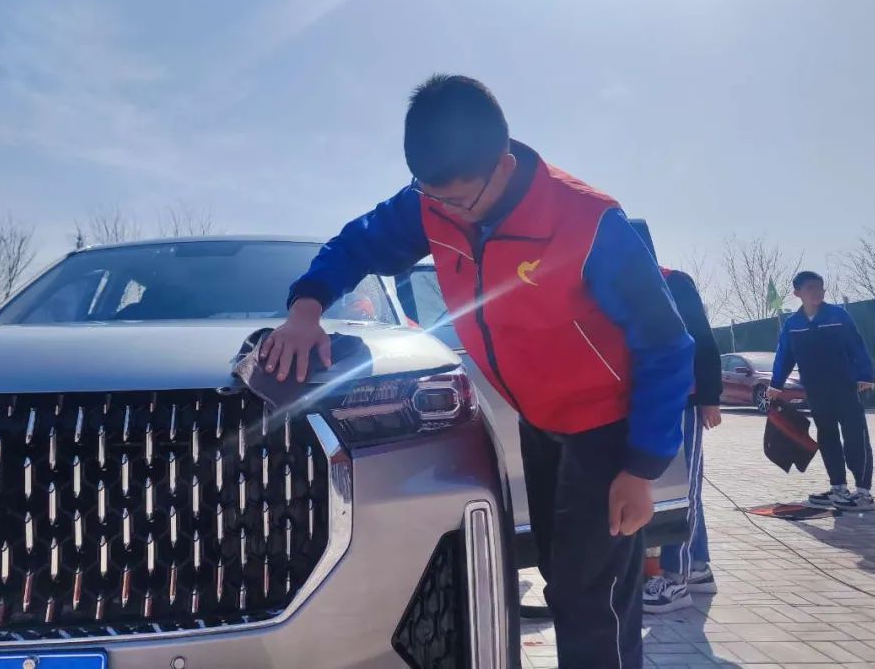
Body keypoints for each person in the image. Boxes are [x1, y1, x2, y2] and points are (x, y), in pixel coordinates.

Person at [261, 75, 694, 667]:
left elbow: (666, 344)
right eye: (433, 199)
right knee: (560, 573)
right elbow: (358, 244)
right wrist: (306, 308)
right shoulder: (432, 202)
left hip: (606, 428)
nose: (447, 213)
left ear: (504, 164)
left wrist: (640, 469)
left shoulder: (587, 222)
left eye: (461, 201)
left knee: (593, 597)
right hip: (540, 421)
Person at [630, 221, 723, 614]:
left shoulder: (674, 282)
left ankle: (675, 578)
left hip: (681, 400)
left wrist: (710, 397)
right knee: (673, 487)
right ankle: (697, 567)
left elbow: (702, 339)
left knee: (683, 488)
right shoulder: (624, 290)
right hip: (647, 402)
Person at [768, 271, 875, 511]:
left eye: (820, 287)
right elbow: (784, 355)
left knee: (855, 436)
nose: (817, 292)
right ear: (797, 293)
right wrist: (776, 384)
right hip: (816, 390)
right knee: (827, 437)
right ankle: (838, 488)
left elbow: (856, 345)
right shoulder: (793, 324)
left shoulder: (838, 316)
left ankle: (863, 493)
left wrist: (865, 375)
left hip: (845, 387)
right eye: (811, 288)